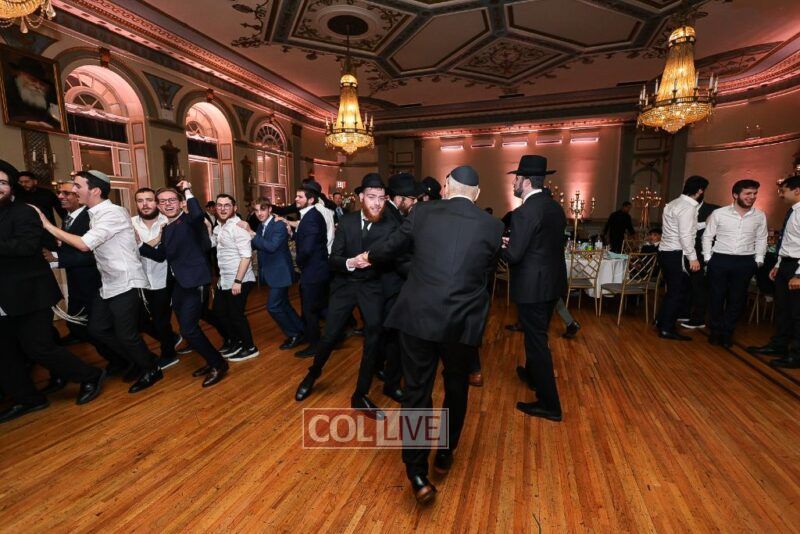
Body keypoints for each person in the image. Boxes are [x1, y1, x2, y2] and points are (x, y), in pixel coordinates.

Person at [365, 165, 503, 504]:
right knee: (456, 387)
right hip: (461, 323)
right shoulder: (492, 225)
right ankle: (445, 451)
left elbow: (390, 247)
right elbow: (484, 272)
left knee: (417, 391)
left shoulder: (422, 212)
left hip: (419, 317)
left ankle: (416, 472)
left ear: (446, 186)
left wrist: (368, 255)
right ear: (477, 195)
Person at [34, 170, 163, 393]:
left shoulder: (112, 212)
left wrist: (46, 224)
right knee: (97, 329)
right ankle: (137, 359)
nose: (74, 190)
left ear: (94, 190)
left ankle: (151, 368)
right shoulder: (96, 213)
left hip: (126, 280)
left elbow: (85, 245)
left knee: (126, 334)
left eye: (77, 186)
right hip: (108, 282)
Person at [0, 160, 105, 423]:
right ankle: (28, 399)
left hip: (29, 294)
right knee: (5, 353)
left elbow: (26, 247)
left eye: (2, 182)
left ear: (11, 187)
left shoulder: (24, 212)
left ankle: (90, 375)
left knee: (38, 348)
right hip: (3, 298)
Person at [295, 174, 401, 412]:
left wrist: (375, 259)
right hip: (345, 285)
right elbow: (334, 258)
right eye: (371, 197)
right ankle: (312, 374)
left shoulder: (390, 226)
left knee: (373, 339)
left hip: (372, 287)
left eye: (381, 198)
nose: (377, 203)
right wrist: (351, 262)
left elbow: (394, 256)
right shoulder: (347, 221)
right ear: (361, 197)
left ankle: (360, 394)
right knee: (330, 335)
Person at [139, 182, 229, 387]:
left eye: (172, 200)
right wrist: (138, 244)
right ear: (158, 207)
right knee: (189, 327)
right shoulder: (167, 228)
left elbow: (197, 214)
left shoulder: (190, 220)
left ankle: (218, 363)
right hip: (179, 284)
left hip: (195, 281)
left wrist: (188, 190)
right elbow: (160, 255)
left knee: (188, 329)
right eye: (163, 202)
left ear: (181, 203)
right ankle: (212, 360)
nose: (168, 204)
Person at [501, 155, 567, 422]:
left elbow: (514, 255)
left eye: (517, 178)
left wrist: (499, 245)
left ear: (526, 182)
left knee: (536, 342)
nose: (514, 183)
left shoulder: (524, 212)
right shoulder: (555, 208)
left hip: (533, 288)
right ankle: (531, 375)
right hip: (553, 284)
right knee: (537, 334)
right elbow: (542, 243)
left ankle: (550, 405)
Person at [52, 180, 127, 379]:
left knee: (99, 329)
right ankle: (118, 359)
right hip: (77, 284)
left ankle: (125, 360)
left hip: (95, 283)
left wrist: (58, 258)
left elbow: (92, 253)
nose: (60, 197)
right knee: (79, 327)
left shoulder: (91, 217)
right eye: (59, 193)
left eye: (67, 193)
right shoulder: (68, 218)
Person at [702, 180, 767, 348]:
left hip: (745, 261)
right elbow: (707, 236)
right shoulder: (719, 213)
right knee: (716, 297)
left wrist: (759, 260)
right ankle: (715, 330)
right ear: (735, 195)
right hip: (720, 259)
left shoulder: (760, 215)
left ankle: (727, 332)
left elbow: (762, 238)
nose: (752, 197)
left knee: (737, 300)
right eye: (748, 193)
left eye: (754, 193)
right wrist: (708, 258)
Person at [747, 174, 800, 368]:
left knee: (797, 313)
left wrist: (799, 274)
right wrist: (778, 265)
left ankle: (796, 355)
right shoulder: (793, 211)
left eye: (783, 190)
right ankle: (779, 345)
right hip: (786, 264)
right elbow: (788, 241)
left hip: (797, 267)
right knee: (783, 309)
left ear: (797, 190)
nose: (780, 194)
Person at [245, 197, 305, 350]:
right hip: (273, 271)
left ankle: (294, 334)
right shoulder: (261, 226)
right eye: (256, 210)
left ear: (270, 209)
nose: (259, 213)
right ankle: (302, 330)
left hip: (281, 272)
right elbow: (257, 244)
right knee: (284, 304)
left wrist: (252, 234)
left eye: (262, 209)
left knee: (273, 307)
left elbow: (271, 246)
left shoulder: (278, 224)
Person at [131, 187, 181, 370]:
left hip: (164, 280)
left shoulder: (168, 222)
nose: (145, 204)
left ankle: (169, 354)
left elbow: (161, 254)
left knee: (161, 320)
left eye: (149, 200)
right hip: (139, 281)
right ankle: (171, 338)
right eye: (140, 200)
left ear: (157, 203)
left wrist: (139, 244)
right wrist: (155, 241)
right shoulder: (130, 224)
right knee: (141, 321)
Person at [656, 175, 709, 341]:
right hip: (676, 252)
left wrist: (705, 223)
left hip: (665, 251)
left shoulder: (674, 203)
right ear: (700, 191)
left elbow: (683, 228)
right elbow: (685, 235)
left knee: (673, 290)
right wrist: (693, 258)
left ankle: (661, 322)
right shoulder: (688, 207)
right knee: (677, 292)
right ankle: (666, 328)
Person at [211, 194, 259, 361]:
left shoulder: (239, 227)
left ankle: (250, 347)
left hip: (240, 279)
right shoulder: (218, 228)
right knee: (219, 313)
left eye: (227, 205)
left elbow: (246, 257)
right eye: (219, 205)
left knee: (236, 315)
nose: (223, 208)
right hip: (224, 279)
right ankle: (236, 341)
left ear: (235, 208)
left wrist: (237, 281)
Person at [291, 181, 330, 357]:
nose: (296, 199)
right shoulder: (309, 215)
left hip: (314, 271)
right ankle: (333, 336)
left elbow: (307, 249)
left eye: (300, 197)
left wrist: (298, 262)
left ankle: (315, 345)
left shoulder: (312, 217)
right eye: (296, 196)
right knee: (319, 307)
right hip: (315, 270)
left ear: (311, 200)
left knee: (310, 310)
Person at [680, 196, 721, 330]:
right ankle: (685, 312)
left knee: (700, 287)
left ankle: (698, 319)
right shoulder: (685, 208)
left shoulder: (714, 209)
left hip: (704, 254)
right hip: (687, 252)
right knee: (688, 285)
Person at [3, 56, 63, 130]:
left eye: (42, 84)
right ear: (20, 74)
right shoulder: (6, 91)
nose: (38, 86)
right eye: (33, 80)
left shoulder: (46, 100)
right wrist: (25, 123)